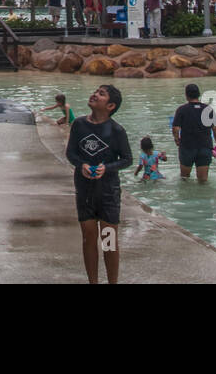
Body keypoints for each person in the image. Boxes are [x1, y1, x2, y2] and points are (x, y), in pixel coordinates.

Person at [65, 84, 132, 284]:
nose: (94, 94)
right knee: (88, 237)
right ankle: (92, 281)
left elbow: (127, 159)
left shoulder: (116, 130)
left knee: (109, 240)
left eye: (101, 94)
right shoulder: (78, 124)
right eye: (95, 91)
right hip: (84, 190)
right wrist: (82, 164)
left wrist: (107, 168)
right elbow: (71, 153)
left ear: (110, 105)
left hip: (108, 192)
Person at [171, 82, 216, 183]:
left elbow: (176, 129)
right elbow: (215, 129)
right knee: (203, 180)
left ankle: (186, 197)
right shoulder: (208, 109)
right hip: (205, 147)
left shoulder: (182, 110)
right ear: (199, 94)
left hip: (187, 147)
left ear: (186, 95)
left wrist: (177, 140)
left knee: (184, 178)